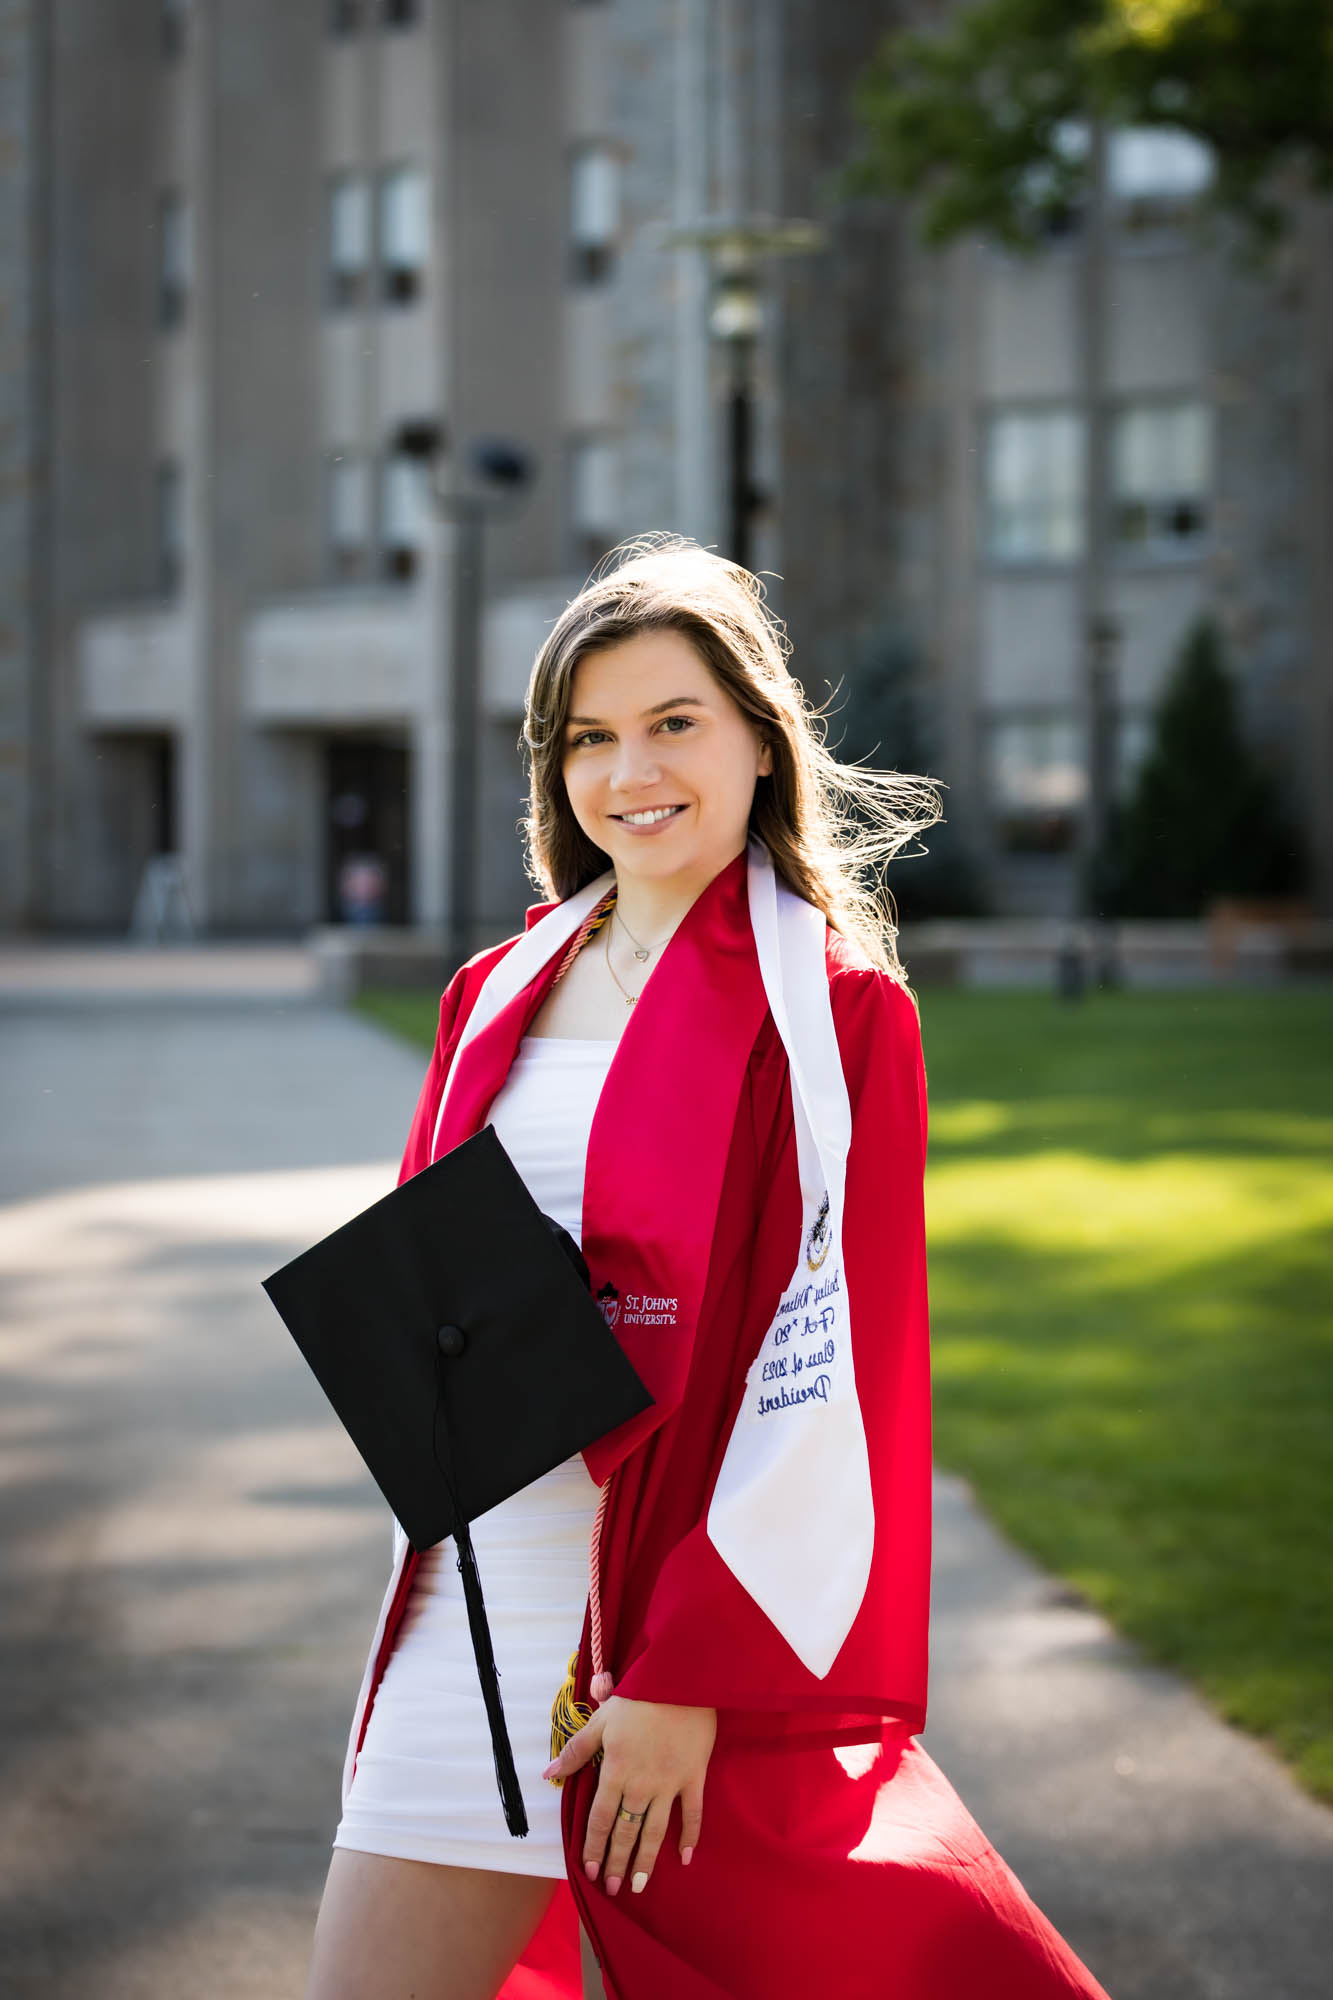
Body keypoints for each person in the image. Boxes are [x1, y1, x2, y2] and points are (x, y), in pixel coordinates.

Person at [305, 539, 1112, 2000]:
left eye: (672, 722)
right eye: (589, 739)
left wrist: (684, 1674)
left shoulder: (837, 1018)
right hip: (474, 1612)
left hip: (680, 1637)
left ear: (755, 734)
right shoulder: (493, 995)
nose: (631, 772)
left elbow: (833, 1369)